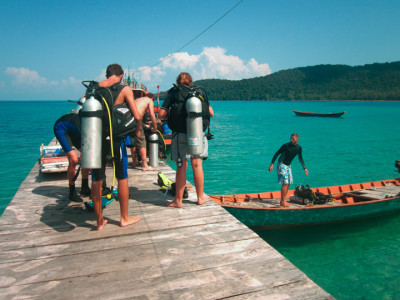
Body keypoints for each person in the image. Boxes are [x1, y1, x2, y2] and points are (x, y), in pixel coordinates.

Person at [89, 63, 142, 230]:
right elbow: (136, 115)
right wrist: (137, 130)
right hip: (116, 139)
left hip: (96, 139)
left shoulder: (94, 87)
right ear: (121, 75)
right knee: (122, 176)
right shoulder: (125, 89)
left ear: (107, 75)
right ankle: (124, 218)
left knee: (97, 178)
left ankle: (99, 221)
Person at [159, 72, 214, 208]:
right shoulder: (199, 92)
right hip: (197, 133)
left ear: (178, 82)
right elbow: (211, 113)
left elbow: (161, 114)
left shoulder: (173, 92)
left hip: (180, 135)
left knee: (181, 167)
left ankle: (178, 201)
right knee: (197, 165)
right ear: (191, 82)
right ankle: (200, 198)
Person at [54, 113, 90, 202]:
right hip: (62, 128)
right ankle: (72, 191)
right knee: (74, 159)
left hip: (74, 131)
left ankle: (84, 187)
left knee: (87, 155)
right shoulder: (83, 126)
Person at [268, 133, 309, 207]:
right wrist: (272, 164)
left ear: (297, 139)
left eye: (293, 138)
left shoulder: (299, 148)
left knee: (289, 182)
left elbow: (300, 158)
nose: (291, 139)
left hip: (288, 165)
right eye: (291, 138)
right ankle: (282, 201)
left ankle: (283, 200)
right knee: (286, 183)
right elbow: (277, 153)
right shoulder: (286, 146)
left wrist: (305, 168)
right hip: (281, 164)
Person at [128, 93, 158, 171]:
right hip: (136, 122)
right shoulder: (149, 100)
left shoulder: (137, 100)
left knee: (133, 141)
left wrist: (143, 125)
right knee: (142, 141)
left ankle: (134, 161)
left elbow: (137, 114)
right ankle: (145, 165)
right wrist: (155, 127)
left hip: (129, 121)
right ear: (152, 98)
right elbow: (152, 114)